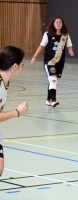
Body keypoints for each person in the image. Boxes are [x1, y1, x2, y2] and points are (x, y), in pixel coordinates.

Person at [31, 17, 74, 107]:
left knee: (52, 81)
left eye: (60, 22)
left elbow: (69, 45)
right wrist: (34, 56)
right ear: (53, 24)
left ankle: (48, 99)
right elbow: (41, 46)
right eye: (56, 22)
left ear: (62, 24)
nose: (58, 24)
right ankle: (54, 100)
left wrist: (70, 51)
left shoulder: (65, 35)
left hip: (60, 62)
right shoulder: (48, 34)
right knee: (53, 80)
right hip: (49, 61)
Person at [0, 46, 29, 176]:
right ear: (15, 66)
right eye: (22, 64)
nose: (23, 68)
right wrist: (17, 112)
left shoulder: (5, 82)